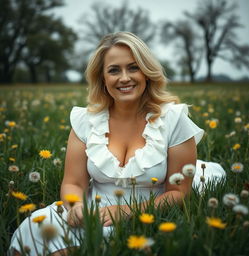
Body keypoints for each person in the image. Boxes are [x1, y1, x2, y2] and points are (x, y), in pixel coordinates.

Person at [9, 31, 225, 255]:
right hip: (94, 210)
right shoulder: (86, 121)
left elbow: (179, 192)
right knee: (34, 231)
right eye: (114, 70)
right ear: (102, 78)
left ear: (147, 72)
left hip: (148, 215)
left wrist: (126, 211)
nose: (124, 78)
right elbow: (73, 183)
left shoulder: (173, 119)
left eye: (133, 67)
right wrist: (76, 208)